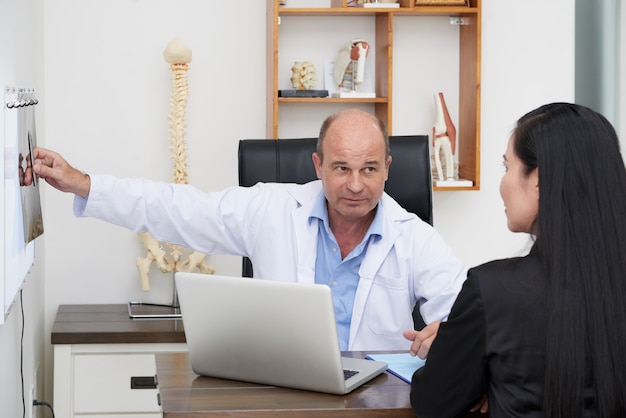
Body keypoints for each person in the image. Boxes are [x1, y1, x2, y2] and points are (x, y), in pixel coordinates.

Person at [33, 108, 467, 352]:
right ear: (318, 166)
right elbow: (178, 209)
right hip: (281, 394)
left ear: (388, 169)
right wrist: (84, 183)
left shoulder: (413, 237)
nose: (356, 184)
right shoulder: (271, 210)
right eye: (341, 168)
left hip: (376, 403)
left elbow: (468, 311)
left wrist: (447, 332)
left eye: (369, 169)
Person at [409, 103, 626, 417]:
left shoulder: (493, 291)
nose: (504, 183)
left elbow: (433, 402)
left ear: (537, 181)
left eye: (506, 167)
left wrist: (460, 354)